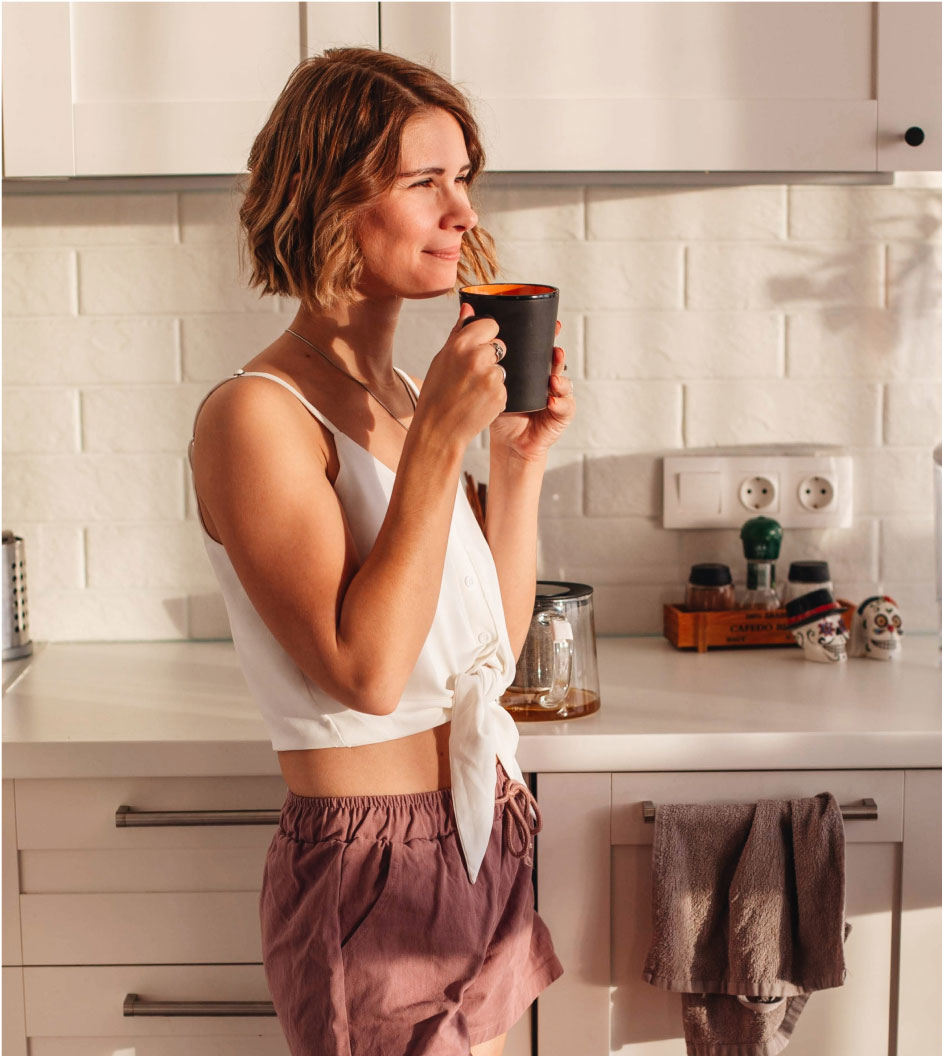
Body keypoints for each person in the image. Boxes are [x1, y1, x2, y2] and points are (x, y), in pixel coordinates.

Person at [188, 47, 574, 1056]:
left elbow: (487, 651)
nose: (463, 213)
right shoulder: (256, 416)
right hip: (369, 869)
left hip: (481, 831)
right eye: (424, 183)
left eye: (464, 180)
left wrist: (515, 463)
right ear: (332, 202)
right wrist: (444, 446)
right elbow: (366, 673)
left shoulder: (406, 403)